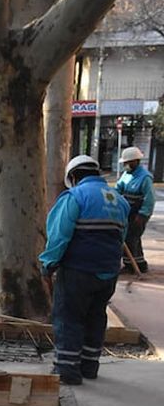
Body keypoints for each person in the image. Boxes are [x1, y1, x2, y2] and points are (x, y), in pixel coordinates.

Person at [40, 155, 129, 385]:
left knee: (68, 317)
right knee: (96, 316)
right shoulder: (119, 200)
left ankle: (67, 369)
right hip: (108, 272)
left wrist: (48, 264)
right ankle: (89, 366)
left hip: (78, 270)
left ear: (73, 176)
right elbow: (121, 237)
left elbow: (59, 235)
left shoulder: (75, 197)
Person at [115, 146, 155, 273]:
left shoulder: (145, 177)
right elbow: (117, 190)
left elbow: (149, 199)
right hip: (128, 212)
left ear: (136, 161)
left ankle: (132, 266)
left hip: (138, 213)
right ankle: (139, 263)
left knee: (132, 238)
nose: (125, 165)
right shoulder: (126, 175)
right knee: (130, 238)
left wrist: (142, 215)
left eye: (128, 162)